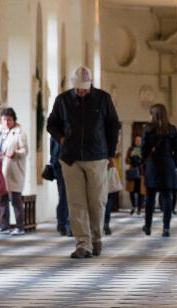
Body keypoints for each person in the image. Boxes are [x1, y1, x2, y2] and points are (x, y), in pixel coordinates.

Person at [47, 66, 120, 259]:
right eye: (78, 89)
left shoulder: (103, 99)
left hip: (97, 157)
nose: (81, 93)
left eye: (85, 89)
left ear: (90, 86)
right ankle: (82, 244)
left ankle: (96, 238)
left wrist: (111, 155)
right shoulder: (62, 100)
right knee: (76, 203)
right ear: (73, 86)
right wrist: (62, 140)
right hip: (70, 159)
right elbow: (51, 124)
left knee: (96, 201)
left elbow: (113, 126)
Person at [141, 103, 177, 237]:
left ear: (153, 114)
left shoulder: (148, 129)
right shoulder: (172, 129)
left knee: (150, 199)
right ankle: (166, 228)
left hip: (153, 165)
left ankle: (148, 226)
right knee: (167, 197)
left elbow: (143, 150)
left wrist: (146, 161)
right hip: (167, 165)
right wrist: (173, 162)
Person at [0, 108, 28, 236]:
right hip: (0, 169)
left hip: (14, 169)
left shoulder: (19, 132)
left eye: (9, 120)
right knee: (2, 198)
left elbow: (25, 150)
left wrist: (16, 153)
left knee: (15, 198)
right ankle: (4, 226)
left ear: (13, 120)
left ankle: (19, 226)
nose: (6, 122)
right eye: (4, 120)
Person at [50, 136, 72, 236]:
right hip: (60, 167)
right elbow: (53, 152)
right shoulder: (56, 134)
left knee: (67, 197)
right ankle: (64, 223)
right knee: (64, 196)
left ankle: (65, 223)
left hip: (70, 166)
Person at [125, 135, 145, 215]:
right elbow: (126, 161)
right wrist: (131, 156)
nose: (138, 142)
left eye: (139, 140)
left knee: (141, 191)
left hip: (141, 172)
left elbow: (147, 160)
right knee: (132, 191)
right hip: (133, 171)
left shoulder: (144, 149)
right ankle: (133, 206)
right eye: (136, 140)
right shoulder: (131, 149)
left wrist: (141, 157)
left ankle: (139, 208)